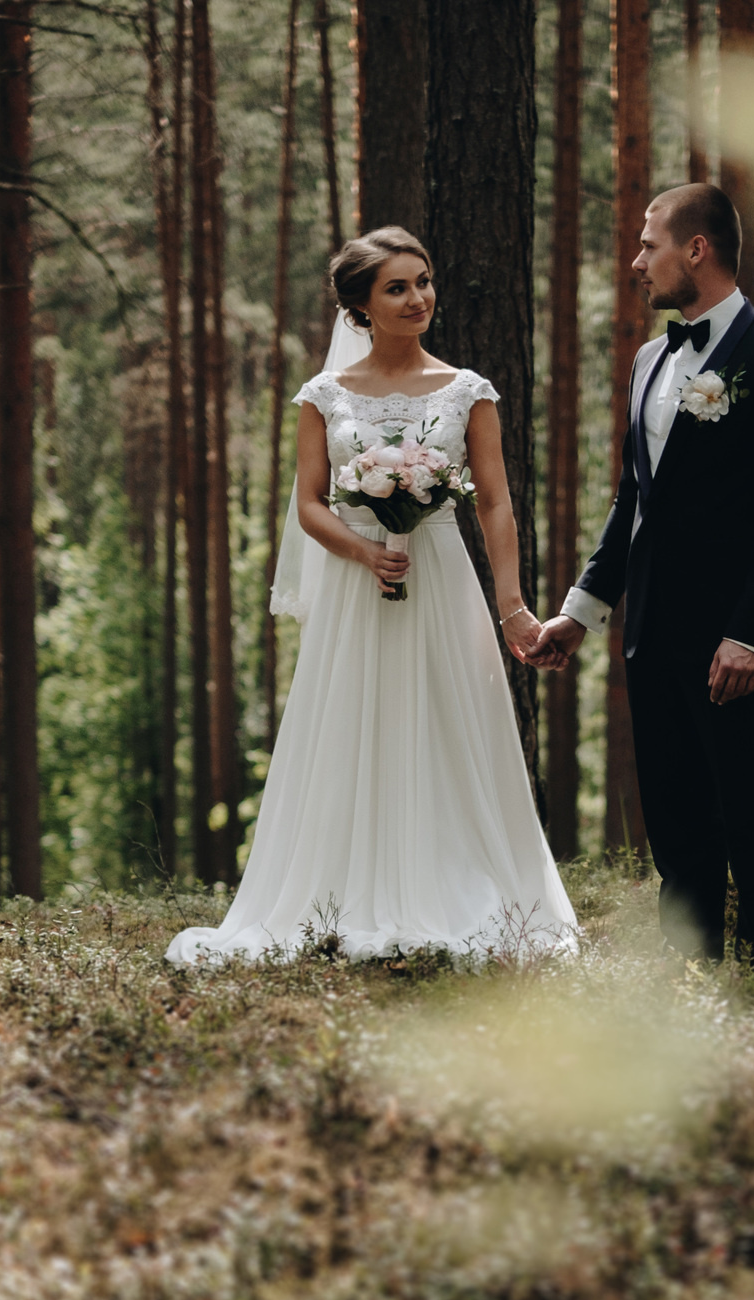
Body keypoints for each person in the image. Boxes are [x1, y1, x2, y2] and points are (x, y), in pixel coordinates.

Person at [166, 228, 576, 966]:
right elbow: (311, 504)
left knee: (452, 722)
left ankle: (462, 886)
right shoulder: (324, 396)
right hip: (361, 587)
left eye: (422, 281)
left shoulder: (466, 389)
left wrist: (512, 606)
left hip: (445, 577)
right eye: (396, 287)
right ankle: (337, 889)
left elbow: (494, 504)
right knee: (354, 721)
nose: (417, 297)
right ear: (359, 305)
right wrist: (363, 552)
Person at [523, 184, 754, 973]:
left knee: (751, 803)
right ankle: (690, 965)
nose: (637, 261)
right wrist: (580, 613)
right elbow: (635, 500)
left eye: (649, 242)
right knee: (674, 807)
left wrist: (751, 634)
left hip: (734, 640)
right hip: (651, 629)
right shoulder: (651, 359)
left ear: (697, 249)